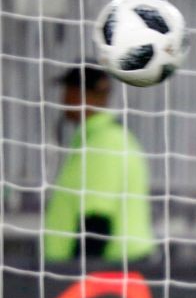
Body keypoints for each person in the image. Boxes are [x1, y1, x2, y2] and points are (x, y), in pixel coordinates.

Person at [43, 63, 155, 263]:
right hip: (114, 268)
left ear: (85, 95)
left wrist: (76, 274)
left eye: (69, 91)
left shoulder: (104, 142)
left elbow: (97, 219)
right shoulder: (100, 138)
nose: (64, 98)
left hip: (112, 271)